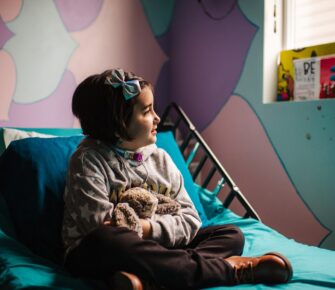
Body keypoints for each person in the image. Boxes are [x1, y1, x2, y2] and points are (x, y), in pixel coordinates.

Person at [62, 68, 293, 290]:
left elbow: (191, 220)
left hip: (156, 248)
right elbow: (100, 226)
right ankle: (228, 271)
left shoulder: (161, 160)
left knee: (231, 235)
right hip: (100, 252)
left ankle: (154, 280)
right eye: (147, 111)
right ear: (117, 125)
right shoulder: (87, 160)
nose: (157, 118)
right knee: (107, 239)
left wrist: (148, 228)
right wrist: (143, 232)